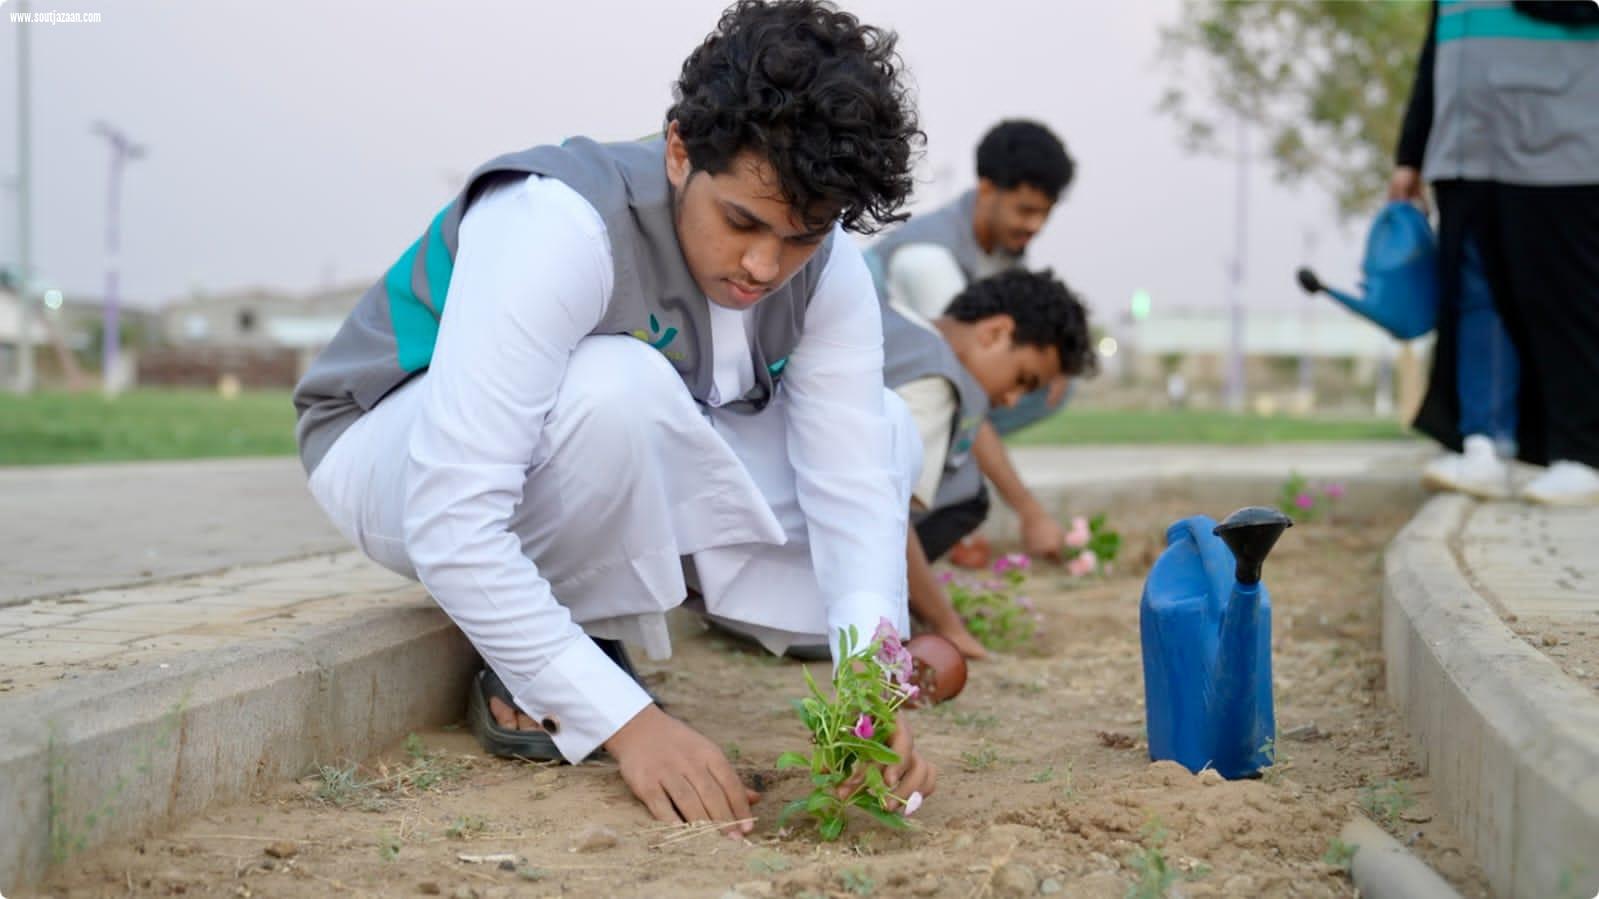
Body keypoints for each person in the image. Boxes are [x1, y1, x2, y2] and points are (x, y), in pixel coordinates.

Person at [291, 0, 935, 834]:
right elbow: (452, 515)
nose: (762, 265)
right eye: (741, 220)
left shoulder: (827, 270)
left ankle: (566, 637)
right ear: (678, 151)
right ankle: (559, 662)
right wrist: (628, 725)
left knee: (885, 432)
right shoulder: (555, 223)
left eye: (802, 237)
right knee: (618, 387)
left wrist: (870, 702)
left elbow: (850, 487)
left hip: (597, 446)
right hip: (386, 449)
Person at [1399, 0, 1599, 506]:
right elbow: (1436, 52)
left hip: (1560, 147)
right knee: (1476, 301)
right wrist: (1411, 152)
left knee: (1563, 303)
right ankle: (1484, 446)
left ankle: (1581, 456)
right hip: (1465, 150)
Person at [868, 120, 1084, 557]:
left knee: (1055, 388)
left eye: (1045, 213)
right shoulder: (930, 258)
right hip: (884, 389)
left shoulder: (1006, 251)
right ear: (987, 190)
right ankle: (932, 504)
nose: (1035, 226)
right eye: (1025, 210)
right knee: (973, 394)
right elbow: (965, 382)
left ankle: (943, 486)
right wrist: (1028, 511)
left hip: (939, 391)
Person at [885, 269, 1098, 659]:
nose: (1014, 401)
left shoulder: (894, 316)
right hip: (786, 598)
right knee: (968, 492)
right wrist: (949, 627)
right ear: (995, 332)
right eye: (1023, 379)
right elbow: (884, 515)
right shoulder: (935, 384)